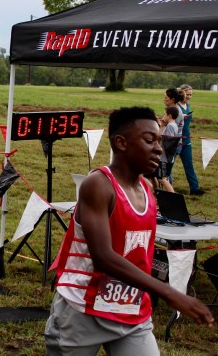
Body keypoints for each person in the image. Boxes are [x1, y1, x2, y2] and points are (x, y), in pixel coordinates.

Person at [45, 107, 214, 355]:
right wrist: (171, 293)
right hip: (83, 308)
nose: (158, 148)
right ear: (121, 143)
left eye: (159, 141)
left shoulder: (147, 189)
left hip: (131, 310)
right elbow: (103, 257)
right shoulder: (98, 185)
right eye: (149, 140)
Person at [176, 84, 203, 195]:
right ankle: (167, 187)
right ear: (182, 93)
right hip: (176, 140)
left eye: (191, 95)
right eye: (187, 94)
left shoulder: (187, 105)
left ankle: (194, 188)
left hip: (187, 139)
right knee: (169, 165)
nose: (189, 97)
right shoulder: (175, 106)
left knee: (189, 164)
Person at [155, 106, 179, 192]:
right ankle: (168, 196)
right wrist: (162, 126)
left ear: (170, 116)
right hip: (167, 158)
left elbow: (167, 142)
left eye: (165, 114)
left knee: (162, 179)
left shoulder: (170, 126)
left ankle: (173, 196)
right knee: (165, 178)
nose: (163, 116)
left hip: (164, 158)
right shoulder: (173, 125)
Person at [163, 88, 184, 182]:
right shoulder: (171, 110)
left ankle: (169, 189)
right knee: (165, 171)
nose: (164, 99)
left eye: (166, 97)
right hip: (170, 143)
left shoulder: (176, 112)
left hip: (172, 145)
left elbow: (171, 130)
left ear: (172, 99)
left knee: (166, 172)